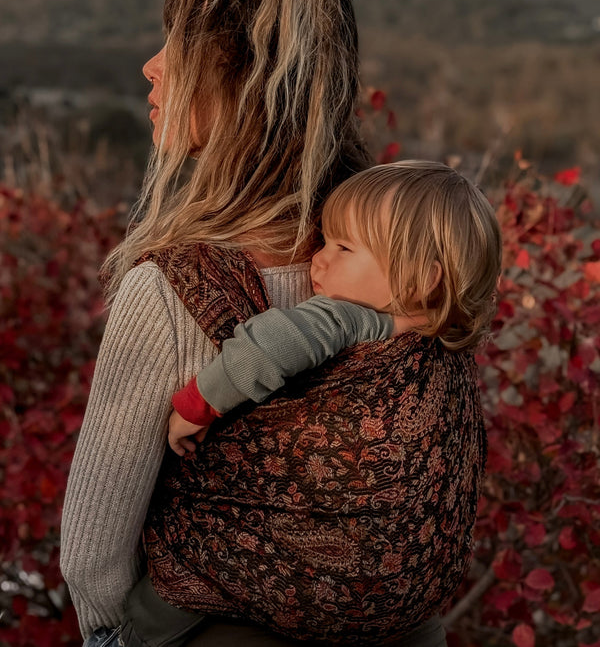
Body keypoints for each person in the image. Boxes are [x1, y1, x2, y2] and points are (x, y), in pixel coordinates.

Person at [115, 161, 502, 647]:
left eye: (342, 248)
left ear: (422, 278)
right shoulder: (448, 347)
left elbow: (265, 345)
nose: (317, 260)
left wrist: (195, 405)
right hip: (404, 616)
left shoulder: (345, 318)